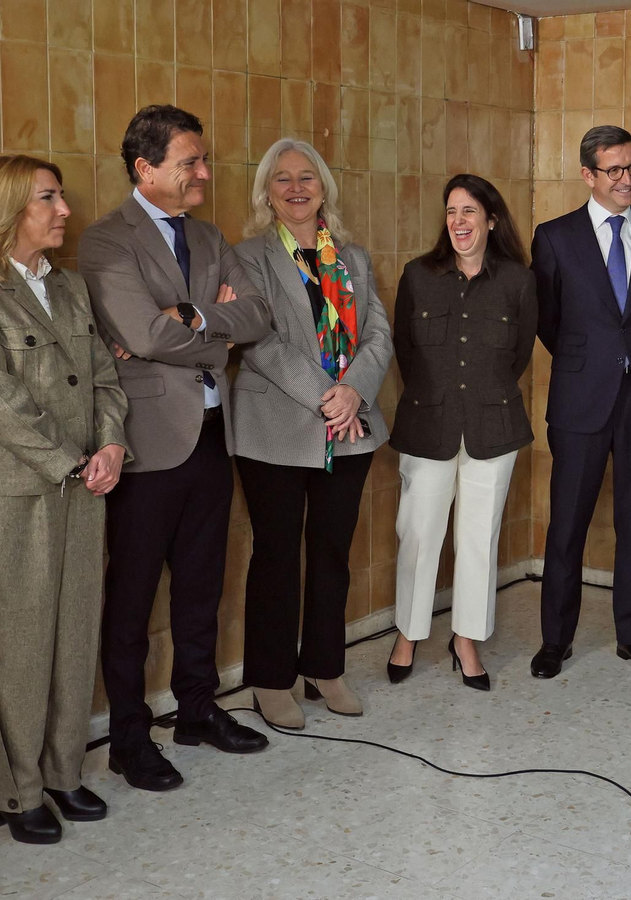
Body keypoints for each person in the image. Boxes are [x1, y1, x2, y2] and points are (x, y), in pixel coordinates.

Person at [0, 155, 129, 844]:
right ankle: (15, 792)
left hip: (80, 481)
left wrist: (111, 447)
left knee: (74, 633)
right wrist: (71, 460)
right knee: (12, 642)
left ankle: (63, 771)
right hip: (7, 492)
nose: (65, 210)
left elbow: (104, 378)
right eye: (50, 198)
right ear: (10, 206)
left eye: (62, 197)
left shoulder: (68, 287)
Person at [80, 105, 273, 792]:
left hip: (211, 438)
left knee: (201, 588)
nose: (204, 172)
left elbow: (255, 315)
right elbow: (144, 333)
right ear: (146, 168)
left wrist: (192, 316)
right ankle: (129, 740)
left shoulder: (211, 235)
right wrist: (213, 330)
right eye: (190, 161)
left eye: (201, 159)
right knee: (130, 599)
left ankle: (196, 711)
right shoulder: (106, 243)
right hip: (144, 444)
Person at [230, 138, 392, 727]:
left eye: (307, 177)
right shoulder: (246, 258)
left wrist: (354, 393)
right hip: (275, 427)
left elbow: (379, 334)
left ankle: (326, 668)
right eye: (282, 180)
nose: (296, 188)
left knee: (332, 552)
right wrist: (329, 396)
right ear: (266, 194)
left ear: (324, 186)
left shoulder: (353, 257)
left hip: (351, 427)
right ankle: (271, 680)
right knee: (276, 555)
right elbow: (258, 339)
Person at [529, 125, 631, 680]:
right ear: (588, 175)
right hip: (580, 399)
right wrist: (593, 360)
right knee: (567, 527)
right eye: (615, 170)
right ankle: (555, 641)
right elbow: (547, 320)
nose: (627, 179)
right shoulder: (554, 237)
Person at [387, 174, 536, 692]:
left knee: (477, 539)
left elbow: (516, 358)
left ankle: (466, 640)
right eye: (451, 211)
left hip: (493, 426)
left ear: (491, 220)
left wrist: (480, 392)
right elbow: (406, 351)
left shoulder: (518, 280)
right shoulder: (417, 275)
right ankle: (407, 633)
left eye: (469, 211)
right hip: (428, 422)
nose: (458, 222)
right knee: (419, 534)